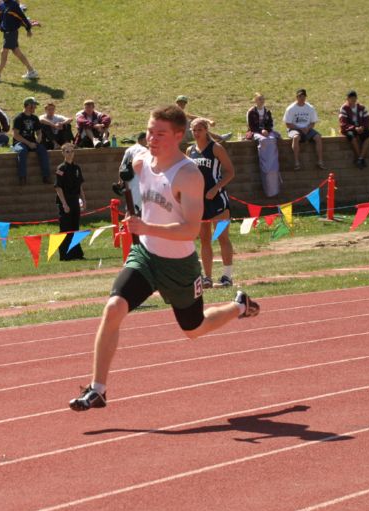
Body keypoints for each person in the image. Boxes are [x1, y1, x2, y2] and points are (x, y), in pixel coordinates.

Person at [68, 106, 260, 412]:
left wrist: (146, 226)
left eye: (160, 133)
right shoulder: (142, 159)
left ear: (178, 136)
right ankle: (98, 389)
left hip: (179, 265)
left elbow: (190, 230)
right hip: (145, 255)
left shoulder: (188, 175)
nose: (151, 138)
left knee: (193, 330)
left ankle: (239, 306)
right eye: (149, 131)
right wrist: (131, 196)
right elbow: (130, 161)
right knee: (114, 306)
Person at [187, 118, 235, 288]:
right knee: (205, 239)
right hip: (200, 202)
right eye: (193, 130)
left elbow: (230, 172)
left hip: (218, 201)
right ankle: (207, 277)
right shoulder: (190, 150)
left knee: (222, 237)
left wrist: (216, 188)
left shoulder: (216, 148)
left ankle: (227, 276)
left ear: (206, 130)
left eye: (199, 129)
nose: (196, 133)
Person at [0, 0, 38, 82]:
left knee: (4, 52)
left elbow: (22, 17)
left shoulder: (13, 5)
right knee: (17, 52)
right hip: (7, 33)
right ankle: (31, 71)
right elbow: (0, 19)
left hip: (11, 33)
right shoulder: (2, 4)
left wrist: (28, 29)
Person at [245, 93, 282, 197]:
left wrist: (267, 130)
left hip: (266, 132)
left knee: (272, 139)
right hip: (256, 132)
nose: (261, 101)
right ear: (255, 100)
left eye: (262, 99)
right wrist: (261, 131)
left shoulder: (267, 111)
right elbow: (251, 126)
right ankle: (265, 162)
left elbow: (270, 124)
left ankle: (272, 162)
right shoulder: (251, 112)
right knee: (264, 141)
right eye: (259, 99)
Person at [54, 143, 86, 261]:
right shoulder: (60, 169)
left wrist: (83, 200)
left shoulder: (77, 168)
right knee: (65, 228)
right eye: (67, 151)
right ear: (63, 153)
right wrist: (64, 204)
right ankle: (64, 255)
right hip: (65, 202)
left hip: (75, 201)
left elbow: (80, 187)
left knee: (75, 227)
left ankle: (76, 253)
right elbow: (58, 188)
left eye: (71, 151)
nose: (70, 154)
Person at [284, 89, 325, 171]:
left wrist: (308, 128)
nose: (301, 98)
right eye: (300, 96)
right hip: (294, 129)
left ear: (305, 97)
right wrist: (299, 128)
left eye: (303, 96)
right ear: (296, 97)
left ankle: (320, 161)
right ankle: (296, 162)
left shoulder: (310, 108)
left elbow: (313, 123)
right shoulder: (290, 109)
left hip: (307, 129)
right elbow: (287, 124)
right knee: (296, 137)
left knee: (318, 137)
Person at [12, 96, 51, 184]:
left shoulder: (35, 118)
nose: (35, 108)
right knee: (22, 151)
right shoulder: (18, 118)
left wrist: (38, 140)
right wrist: (29, 143)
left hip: (32, 142)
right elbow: (16, 135)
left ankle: (46, 176)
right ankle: (22, 177)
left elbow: (39, 132)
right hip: (20, 142)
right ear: (28, 106)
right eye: (34, 105)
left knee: (43, 150)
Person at [115, 131, 148, 213]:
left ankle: (128, 223)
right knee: (135, 206)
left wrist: (120, 181)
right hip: (139, 179)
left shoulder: (129, 150)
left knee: (131, 203)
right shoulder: (144, 149)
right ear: (143, 139)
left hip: (129, 180)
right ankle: (127, 224)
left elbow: (122, 167)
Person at [339, 90, 369, 168]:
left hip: (361, 128)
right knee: (351, 136)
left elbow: (368, 119)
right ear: (347, 99)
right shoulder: (344, 108)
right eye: (351, 98)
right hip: (349, 129)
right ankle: (359, 157)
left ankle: (361, 158)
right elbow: (343, 123)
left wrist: (363, 127)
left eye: (354, 98)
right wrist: (354, 128)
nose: (353, 100)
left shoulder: (362, 107)